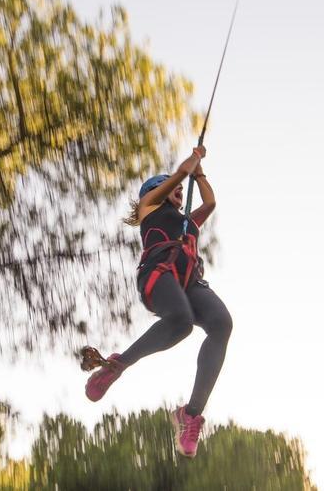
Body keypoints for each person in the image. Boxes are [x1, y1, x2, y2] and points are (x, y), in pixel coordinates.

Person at [84, 146, 232, 458]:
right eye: (172, 187)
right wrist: (185, 170)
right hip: (159, 272)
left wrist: (199, 172)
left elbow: (211, 202)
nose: (179, 189)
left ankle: (190, 415)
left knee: (221, 323)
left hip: (189, 280)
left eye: (180, 188)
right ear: (155, 191)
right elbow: (178, 175)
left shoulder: (187, 222)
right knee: (180, 323)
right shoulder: (149, 207)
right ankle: (117, 365)